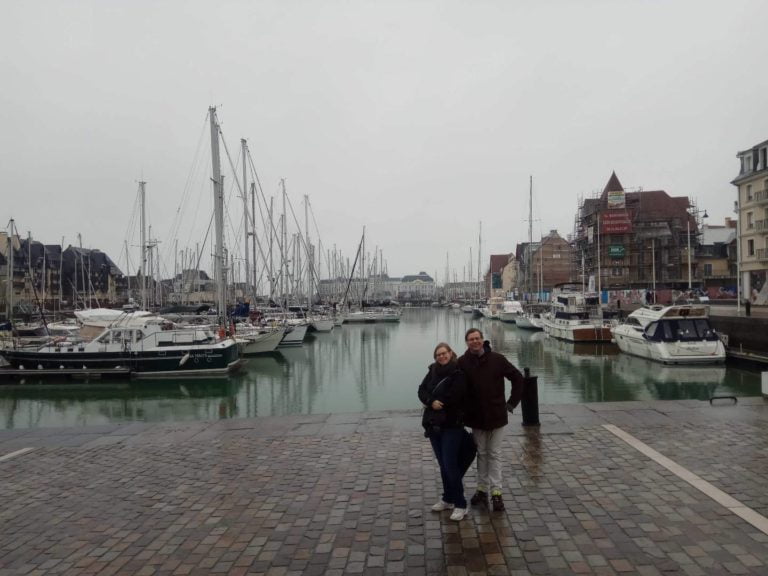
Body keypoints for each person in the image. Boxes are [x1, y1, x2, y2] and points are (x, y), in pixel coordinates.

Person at [459, 328, 523, 512]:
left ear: (483, 340)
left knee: (494, 453)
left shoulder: (497, 359)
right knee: (481, 453)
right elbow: (456, 387)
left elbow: (517, 378)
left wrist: (512, 403)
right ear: (467, 342)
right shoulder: (462, 362)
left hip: (496, 415)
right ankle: (481, 489)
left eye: (477, 338)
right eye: (471, 339)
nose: (474, 341)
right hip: (476, 417)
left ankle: (496, 492)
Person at [418, 342, 468, 521]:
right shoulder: (432, 371)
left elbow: (456, 395)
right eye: (438, 354)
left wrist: (438, 402)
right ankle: (448, 498)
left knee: (449, 463)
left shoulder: (458, 373)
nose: (441, 356)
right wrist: (431, 401)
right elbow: (421, 390)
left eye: (444, 353)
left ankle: (460, 503)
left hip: (452, 424)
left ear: (450, 353)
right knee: (442, 464)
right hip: (434, 424)